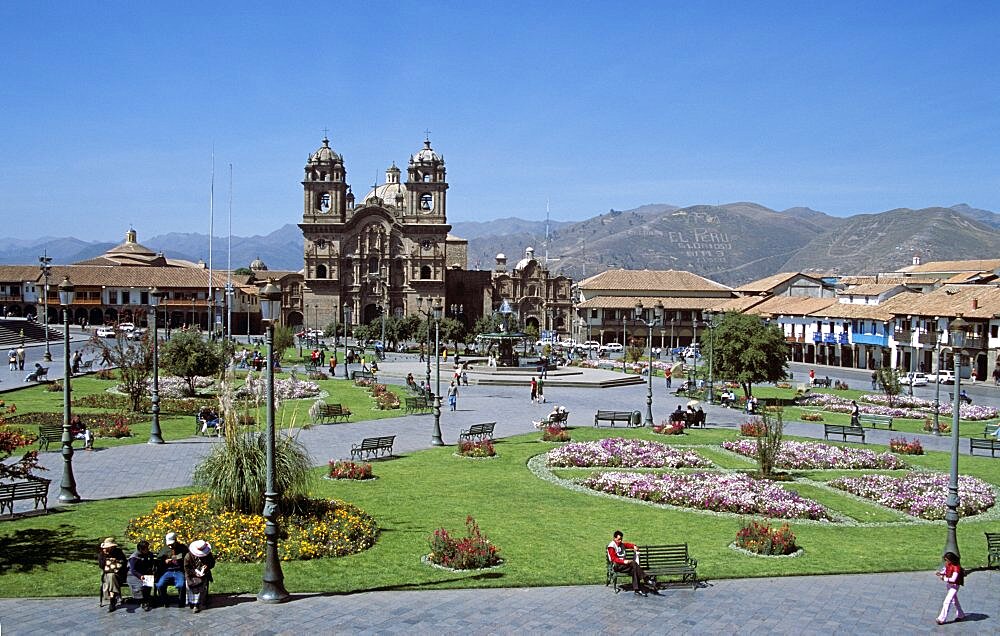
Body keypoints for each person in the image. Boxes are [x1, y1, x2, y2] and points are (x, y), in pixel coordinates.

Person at [607, 530, 653, 597]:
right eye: (619, 539)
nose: (620, 541)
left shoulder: (621, 544)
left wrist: (634, 546)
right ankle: (646, 579)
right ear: (614, 538)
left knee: (634, 569)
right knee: (633, 564)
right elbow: (613, 559)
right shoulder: (611, 546)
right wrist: (624, 561)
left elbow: (627, 545)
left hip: (623, 566)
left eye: (621, 539)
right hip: (617, 566)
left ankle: (637, 590)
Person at [156, 532, 188, 608]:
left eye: (172, 544)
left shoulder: (182, 548)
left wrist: (176, 559)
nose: (170, 546)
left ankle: (181, 602)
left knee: (181, 585)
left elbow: (186, 557)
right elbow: (159, 559)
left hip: (178, 570)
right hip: (167, 571)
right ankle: (165, 601)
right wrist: (165, 561)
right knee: (160, 585)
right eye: (169, 544)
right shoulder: (164, 549)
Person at [184, 539, 216, 613]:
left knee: (202, 584)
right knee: (189, 585)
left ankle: (197, 604)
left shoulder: (208, 554)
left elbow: (212, 563)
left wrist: (207, 566)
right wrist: (195, 573)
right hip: (191, 574)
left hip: (203, 574)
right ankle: (191, 601)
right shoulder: (188, 556)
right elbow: (187, 568)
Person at [936, 551, 966, 625]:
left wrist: (944, 578)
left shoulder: (956, 568)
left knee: (947, 601)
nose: (946, 561)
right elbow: (945, 570)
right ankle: (961, 614)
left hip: (954, 586)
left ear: (951, 559)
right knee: (954, 601)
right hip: (949, 585)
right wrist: (940, 573)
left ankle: (941, 619)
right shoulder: (948, 564)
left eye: (947, 560)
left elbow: (953, 579)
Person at [98, 537, 128, 612]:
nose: (108, 549)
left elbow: (124, 563)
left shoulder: (118, 552)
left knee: (112, 576)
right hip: (107, 575)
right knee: (110, 576)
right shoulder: (102, 554)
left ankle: (112, 599)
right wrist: (106, 558)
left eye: (110, 547)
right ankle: (113, 598)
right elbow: (101, 566)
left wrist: (116, 561)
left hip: (119, 575)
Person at [127, 540, 157, 611]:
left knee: (148, 580)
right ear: (141, 549)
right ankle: (143, 601)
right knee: (141, 585)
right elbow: (133, 570)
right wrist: (140, 576)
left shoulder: (149, 554)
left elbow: (152, 564)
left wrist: (153, 571)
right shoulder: (134, 557)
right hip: (134, 575)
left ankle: (146, 600)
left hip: (145, 573)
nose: (148, 549)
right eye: (146, 548)